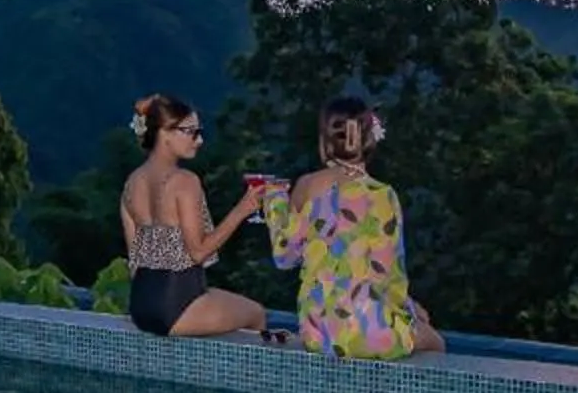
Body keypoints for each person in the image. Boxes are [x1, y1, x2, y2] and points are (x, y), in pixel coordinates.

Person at [261, 97, 445, 359]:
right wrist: (412, 311)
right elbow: (388, 276)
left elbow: (284, 257)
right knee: (436, 344)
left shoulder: (307, 186)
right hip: (372, 334)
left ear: (325, 142)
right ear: (369, 140)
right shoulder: (384, 195)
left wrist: (275, 200)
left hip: (319, 334)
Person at [119, 93, 271, 339]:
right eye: (190, 131)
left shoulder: (131, 183)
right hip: (177, 305)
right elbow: (198, 253)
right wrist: (243, 209)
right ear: (165, 134)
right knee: (256, 314)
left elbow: (136, 258)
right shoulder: (185, 182)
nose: (199, 140)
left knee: (220, 300)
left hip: (141, 306)